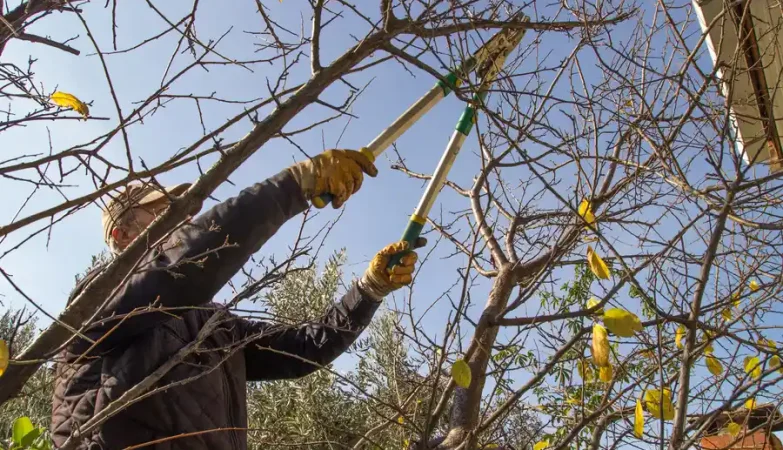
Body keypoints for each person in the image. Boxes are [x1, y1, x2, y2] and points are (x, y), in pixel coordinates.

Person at [51, 149, 422, 449]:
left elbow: (303, 350)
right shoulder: (96, 298)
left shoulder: (215, 324)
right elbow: (185, 266)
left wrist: (369, 289)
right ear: (122, 233)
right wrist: (293, 186)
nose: (179, 218)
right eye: (160, 210)